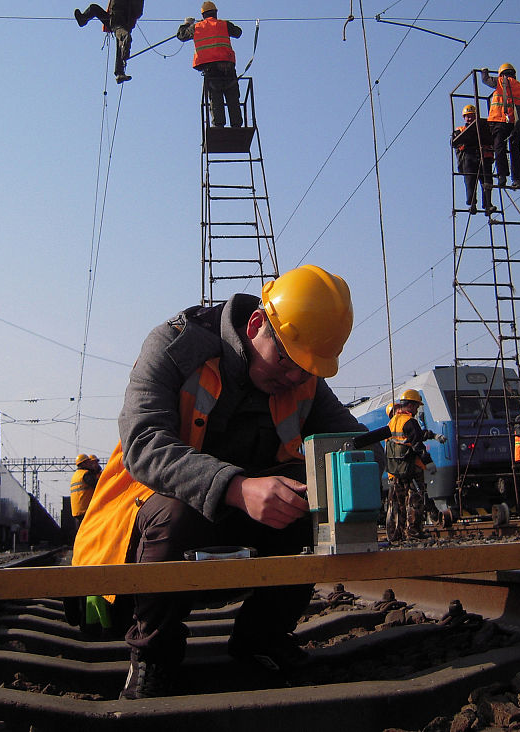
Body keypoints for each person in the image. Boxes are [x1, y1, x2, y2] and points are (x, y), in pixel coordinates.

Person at [72, 264, 365, 699]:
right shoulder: (175, 345)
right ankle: (153, 656)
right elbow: (144, 444)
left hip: (248, 513)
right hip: (156, 516)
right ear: (255, 324)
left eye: (307, 369)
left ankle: (262, 639)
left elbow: (349, 439)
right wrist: (236, 487)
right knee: (176, 513)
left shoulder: (302, 374)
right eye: (285, 360)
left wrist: (369, 461)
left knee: (313, 497)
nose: (294, 378)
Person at [371, 389, 437, 542]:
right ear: (411, 405)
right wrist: (429, 462)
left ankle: (398, 534)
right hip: (412, 468)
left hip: (396, 469)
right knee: (415, 500)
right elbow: (417, 445)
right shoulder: (410, 422)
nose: (416, 409)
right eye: (416, 406)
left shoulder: (392, 421)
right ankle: (413, 532)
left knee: (398, 502)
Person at [177, 1, 245, 128]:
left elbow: (181, 35)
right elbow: (238, 32)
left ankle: (218, 124)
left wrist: (187, 23)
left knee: (215, 97)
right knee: (232, 96)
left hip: (211, 70)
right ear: (216, 13)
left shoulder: (196, 27)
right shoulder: (224, 24)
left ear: (203, 15)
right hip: (228, 67)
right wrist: (227, 25)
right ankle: (236, 124)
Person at [480, 63, 520, 188]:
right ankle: (517, 179)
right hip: (517, 124)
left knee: (499, 148)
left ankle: (502, 176)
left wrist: (484, 71)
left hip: (501, 120)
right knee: (515, 150)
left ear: (501, 74)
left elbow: (486, 80)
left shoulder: (502, 81)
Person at [451, 103, 498, 215]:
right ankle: (472, 204)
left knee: (487, 181)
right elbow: (454, 142)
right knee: (470, 181)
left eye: (472, 115)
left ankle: (487, 205)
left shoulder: (484, 127)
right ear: (464, 118)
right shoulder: (460, 130)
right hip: (469, 157)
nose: (470, 118)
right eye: (467, 116)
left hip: (484, 156)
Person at [69, 454, 102, 523]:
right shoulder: (86, 474)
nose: (90, 464)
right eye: (89, 462)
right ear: (83, 463)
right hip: (86, 510)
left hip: (77, 511)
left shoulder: (76, 475)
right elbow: (99, 486)